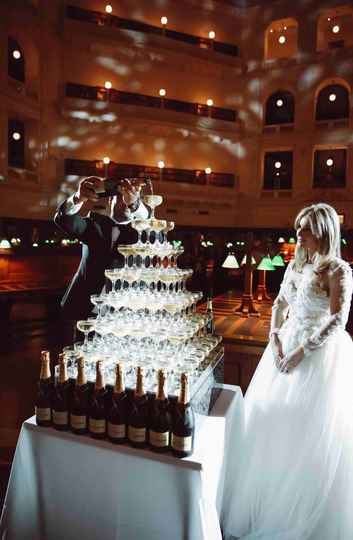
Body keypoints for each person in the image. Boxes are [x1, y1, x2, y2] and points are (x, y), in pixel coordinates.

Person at [222, 203, 353, 540]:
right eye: (298, 227)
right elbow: (280, 304)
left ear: (322, 232)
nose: (298, 234)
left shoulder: (338, 270)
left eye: (305, 228)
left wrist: (301, 351)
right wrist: (275, 338)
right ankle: (267, 503)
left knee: (307, 435)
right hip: (282, 350)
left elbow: (338, 320)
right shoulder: (296, 264)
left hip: (317, 357)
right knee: (269, 427)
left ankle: (302, 515)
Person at [54, 176, 148, 324]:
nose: (125, 201)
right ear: (110, 202)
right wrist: (77, 198)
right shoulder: (94, 226)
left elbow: (153, 231)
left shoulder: (145, 234)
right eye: (120, 197)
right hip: (85, 310)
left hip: (126, 317)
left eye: (129, 199)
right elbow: (64, 220)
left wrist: (134, 205)